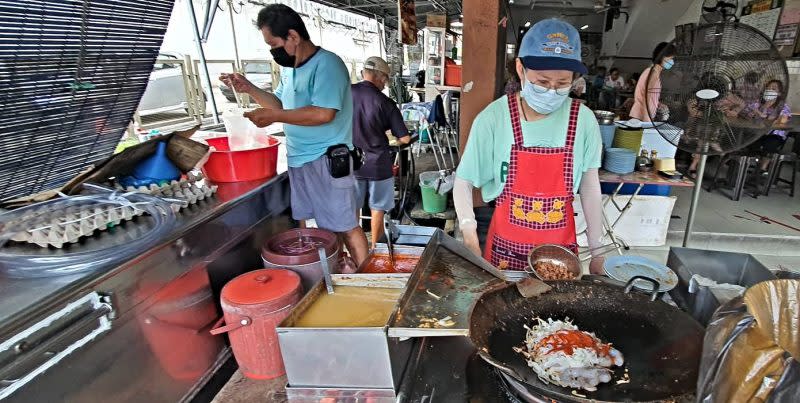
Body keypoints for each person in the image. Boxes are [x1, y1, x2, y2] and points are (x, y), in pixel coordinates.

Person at [219, 4, 369, 265]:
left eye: (273, 43)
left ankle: (371, 281)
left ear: (293, 36)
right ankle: (340, 272)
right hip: (299, 160)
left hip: (327, 159)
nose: (272, 50)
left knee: (345, 224)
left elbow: (324, 113)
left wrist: (274, 118)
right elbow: (278, 104)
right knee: (323, 227)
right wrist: (249, 88)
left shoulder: (328, 65)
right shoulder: (290, 69)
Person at [454, 19, 606, 274]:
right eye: (542, 82)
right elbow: (463, 182)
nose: (551, 91)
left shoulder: (584, 120)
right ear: (520, 69)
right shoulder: (494, 118)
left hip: (561, 259)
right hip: (505, 253)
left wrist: (597, 249)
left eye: (562, 83)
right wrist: (469, 234)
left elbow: (590, 185)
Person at [351, 56, 412, 246]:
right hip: (378, 163)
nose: (385, 84)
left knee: (353, 208)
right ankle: (374, 249)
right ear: (379, 77)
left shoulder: (345, 93)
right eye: (385, 79)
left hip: (350, 162)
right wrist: (390, 136)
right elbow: (405, 138)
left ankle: (354, 248)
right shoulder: (385, 102)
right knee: (377, 208)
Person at [745, 79, 791, 173]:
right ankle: (745, 166)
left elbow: (783, 119)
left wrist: (764, 115)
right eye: (768, 88)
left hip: (774, 134)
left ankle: (763, 169)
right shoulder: (759, 103)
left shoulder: (782, 105)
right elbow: (748, 113)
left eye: (773, 89)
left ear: (779, 93)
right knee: (749, 141)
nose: (769, 90)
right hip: (758, 132)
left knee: (769, 145)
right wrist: (761, 109)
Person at [630, 42, 676, 122]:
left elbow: (651, 97)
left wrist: (658, 104)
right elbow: (647, 97)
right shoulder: (653, 73)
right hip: (641, 117)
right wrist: (647, 120)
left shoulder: (655, 73)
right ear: (662, 57)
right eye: (671, 58)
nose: (672, 61)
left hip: (646, 115)